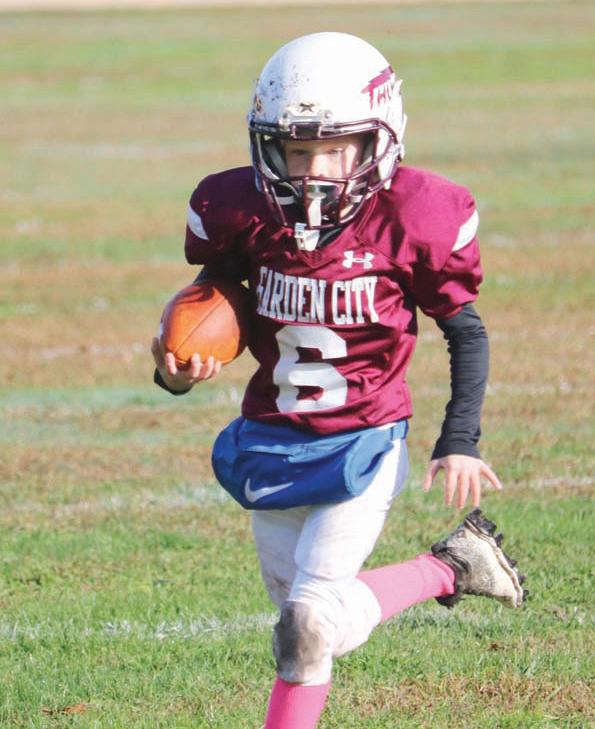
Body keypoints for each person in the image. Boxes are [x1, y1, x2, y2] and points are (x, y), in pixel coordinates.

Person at [151, 32, 526, 729]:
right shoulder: (244, 214)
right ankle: (452, 566)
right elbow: (214, 305)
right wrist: (174, 371)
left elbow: (465, 331)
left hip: (365, 442)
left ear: (378, 140)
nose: (313, 170)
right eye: (296, 151)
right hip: (272, 439)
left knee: (307, 626)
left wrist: (459, 439)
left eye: (334, 148)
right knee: (306, 621)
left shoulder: (411, 215)